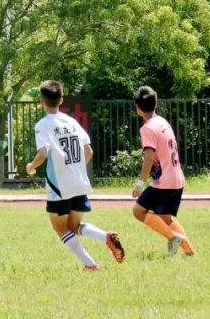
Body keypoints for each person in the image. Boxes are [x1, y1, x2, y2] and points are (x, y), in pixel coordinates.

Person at [25, 80, 125, 272]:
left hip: (59, 186)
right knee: (74, 225)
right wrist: (75, 168)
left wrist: (31, 166)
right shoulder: (72, 122)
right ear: (61, 100)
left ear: (41, 101)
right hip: (78, 182)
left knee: (60, 228)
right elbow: (88, 151)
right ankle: (106, 236)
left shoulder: (42, 125)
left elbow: (42, 154)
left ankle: (91, 264)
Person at [130, 85, 194, 256]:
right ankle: (189, 252)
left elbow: (149, 157)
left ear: (137, 107)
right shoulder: (162, 121)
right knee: (166, 218)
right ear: (155, 104)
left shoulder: (147, 128)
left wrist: (139, 184)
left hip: (165, 180)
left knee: (138, 211)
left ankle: (173, 237)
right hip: (177, 179)